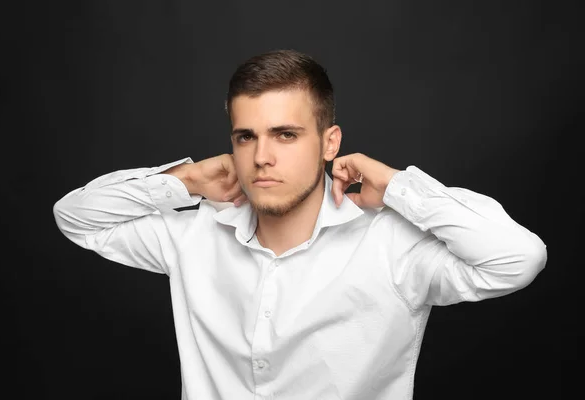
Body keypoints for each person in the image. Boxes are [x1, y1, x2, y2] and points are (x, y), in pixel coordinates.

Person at [53, 49, 547, 400]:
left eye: (285, 135)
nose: (261, 157)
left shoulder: (389, 245)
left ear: (330, 143)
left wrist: (398, 185)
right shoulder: (195, 235)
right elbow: (76, 217)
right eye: (246, 137)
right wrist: (184, 180)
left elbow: (516, 258)